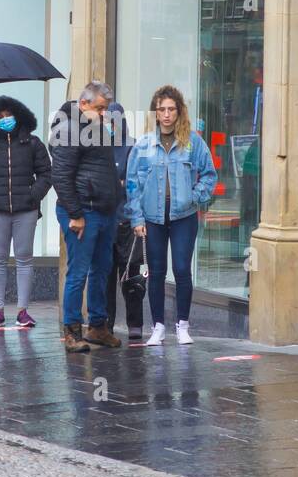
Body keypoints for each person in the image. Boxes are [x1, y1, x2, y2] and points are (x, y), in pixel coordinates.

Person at [126, 85, 218, 346]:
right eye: (161, 109)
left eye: (171, 109)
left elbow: (209, 175)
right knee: (155, 272)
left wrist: (195, 196)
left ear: (179, 112)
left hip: (184, 217)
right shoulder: (144, 145)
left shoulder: (193, 142)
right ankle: (158, 327)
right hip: (153, 219)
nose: (166, 114)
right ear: (156, 113)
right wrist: (137, 219)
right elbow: (132, 184)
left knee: (181, 269)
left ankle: (183, 325)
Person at [49, 81, 124, 352]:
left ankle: (97, 326)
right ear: (83, 104)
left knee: (101, 270)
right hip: (84, 212)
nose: (104, 113)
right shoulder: (68, 129)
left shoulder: (95, 128)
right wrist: (76, 214)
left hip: (103, 211)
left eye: (106, 109)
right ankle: (72, 330)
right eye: (100, 108)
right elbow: (60, 176)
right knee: (79, 272)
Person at [0, 96, 53, 329]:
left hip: (25, 211)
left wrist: (33, 195)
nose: (4, 120)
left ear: (19, 116)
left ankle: (23, 311)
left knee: (24, 260)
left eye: (8, 115)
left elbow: (46, 174)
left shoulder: (32, 143)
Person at [104, 99, 145, 340]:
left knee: (131, 275)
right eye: (107, 120)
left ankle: (135, 324)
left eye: (115, 120)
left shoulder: (132, 147)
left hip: (128, 221)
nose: (111, 124)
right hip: (105, 221)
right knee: (106, 277)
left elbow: (135, 184)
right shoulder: (98, 147)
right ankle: (106, 325)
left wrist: (116, 185)